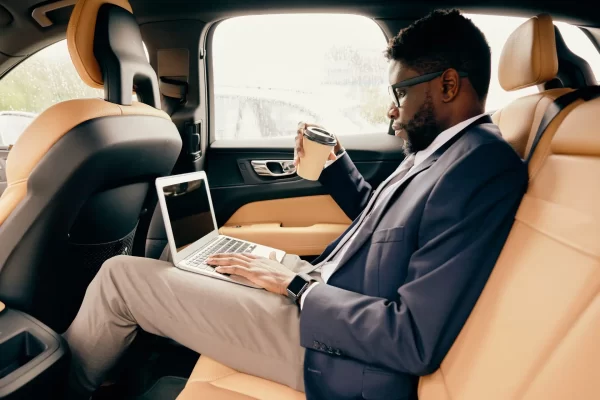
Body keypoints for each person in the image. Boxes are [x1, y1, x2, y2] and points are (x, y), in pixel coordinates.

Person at [63, 9, 528, 400]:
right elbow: (386, 226)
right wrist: (334, 165)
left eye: (400, 92)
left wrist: (297, 288)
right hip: (322, 296)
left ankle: (61, 390)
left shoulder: (479, 168)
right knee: (180, 257)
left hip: (335, 352)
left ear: (448, 85)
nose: (392, 109)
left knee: (119, 278)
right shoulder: (441, 150)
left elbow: (412, 339)